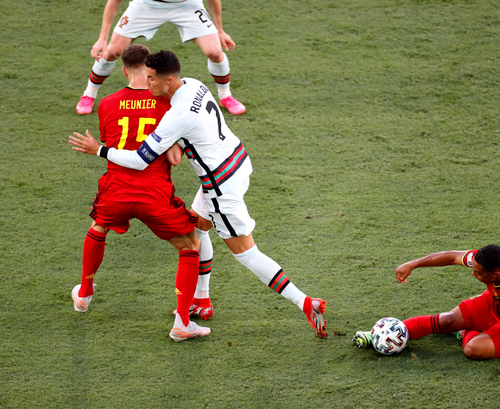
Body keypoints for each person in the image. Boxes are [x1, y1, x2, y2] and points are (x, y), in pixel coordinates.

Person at [70, 50, 328, 338]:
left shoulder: (176, 116)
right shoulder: (194, 84)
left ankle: (305, 301)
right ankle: (201, 301)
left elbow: (141, 160)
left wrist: (99, 150)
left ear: (168, 80)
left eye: (152, 79)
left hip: (220, 187)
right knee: (197, 227)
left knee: (246, 253)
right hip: (237, 160)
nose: (148, 85)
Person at [71, 44, 211, 342]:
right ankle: (182, 322)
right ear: (150, 72)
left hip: (116, 191)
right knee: (189, 246)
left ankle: (84, 293)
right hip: (154, 194)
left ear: (123, 70)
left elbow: (113, 149)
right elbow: (174, 159)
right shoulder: (166, 104)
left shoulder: (107, 103)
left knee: (98, 228)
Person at [394, 244, 500, 388]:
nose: (473, 274)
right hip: (496, 304)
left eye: (478, 273)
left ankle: (466, 330)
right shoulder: (486, 260)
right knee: (447, 320)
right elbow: (452, 257)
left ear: (496, 275)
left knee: (473, 349)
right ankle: (380, 336)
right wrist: (413, 264)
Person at [75, 0, 246, 116]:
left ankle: (225, 97)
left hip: (187, 5)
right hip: (147, 5)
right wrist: (102, 38)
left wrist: (220, 30)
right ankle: (88, 95)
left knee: (215, 52)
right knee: (112, 51)